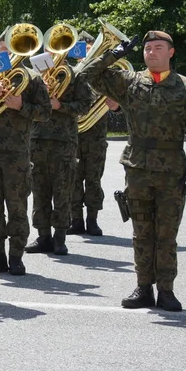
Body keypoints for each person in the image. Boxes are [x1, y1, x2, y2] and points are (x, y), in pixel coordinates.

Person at [76, 30, 186, 312]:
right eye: (147, 48)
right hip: (137, 167)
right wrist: (116, 53)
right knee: (141, 232)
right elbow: (85, 75)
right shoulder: (130, 82)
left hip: (172, 168)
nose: (151, 52)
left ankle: (167, 290)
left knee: (166, 233)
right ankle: (143, 287)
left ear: (171, 52)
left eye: (158, 47)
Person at [0, 36, 49, 276]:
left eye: (12, 49)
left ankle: (16, 256)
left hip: (17, 152)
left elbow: (46, 113)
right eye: (3, 49)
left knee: (17, 206)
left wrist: (21, 106)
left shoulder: (33, 78)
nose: (8, 54)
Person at [28, 53, 93, 256]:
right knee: (40, 191)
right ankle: (43, 236)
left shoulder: (75, 75)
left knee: (63, 191)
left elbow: (85, 105)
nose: (55, 53)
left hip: (63, 141)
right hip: (37, 138)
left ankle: (60, 238)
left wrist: (60, 106)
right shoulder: (36, 74)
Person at [68, 32, 117, 237]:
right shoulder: (71, 73)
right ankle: (76, 220)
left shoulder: (106, 76)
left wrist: (116, 105)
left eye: (92, 50)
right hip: (74, 133)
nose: (88, 55)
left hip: (96, 135)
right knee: (73, 178)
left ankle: (92, 220)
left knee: (94, 179)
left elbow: (121, 100)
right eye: (85, 50)